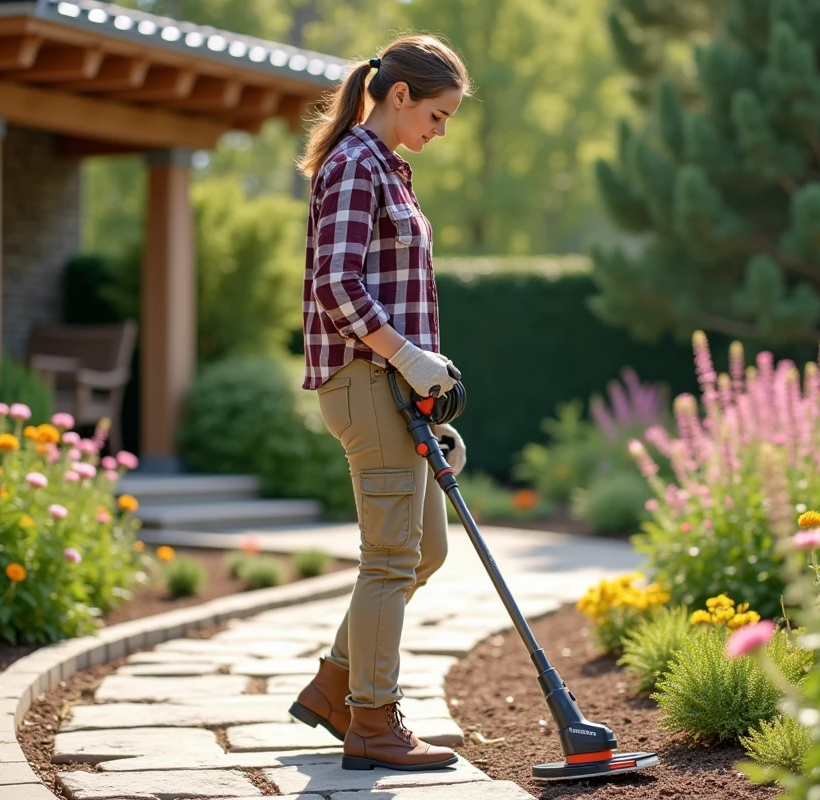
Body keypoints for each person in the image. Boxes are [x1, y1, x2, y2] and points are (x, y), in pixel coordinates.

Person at [287, 33, 471, 773]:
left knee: (424, 549)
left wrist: (429, 375)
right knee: (391, 557)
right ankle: (372, 720)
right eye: (438, 114)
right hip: (366, 384)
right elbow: (337, 286)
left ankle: (335, 685)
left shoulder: (389, 168)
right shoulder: (356, 166)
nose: (440, 130)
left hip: (396, 387)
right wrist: (409, 358)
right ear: (400, 95)